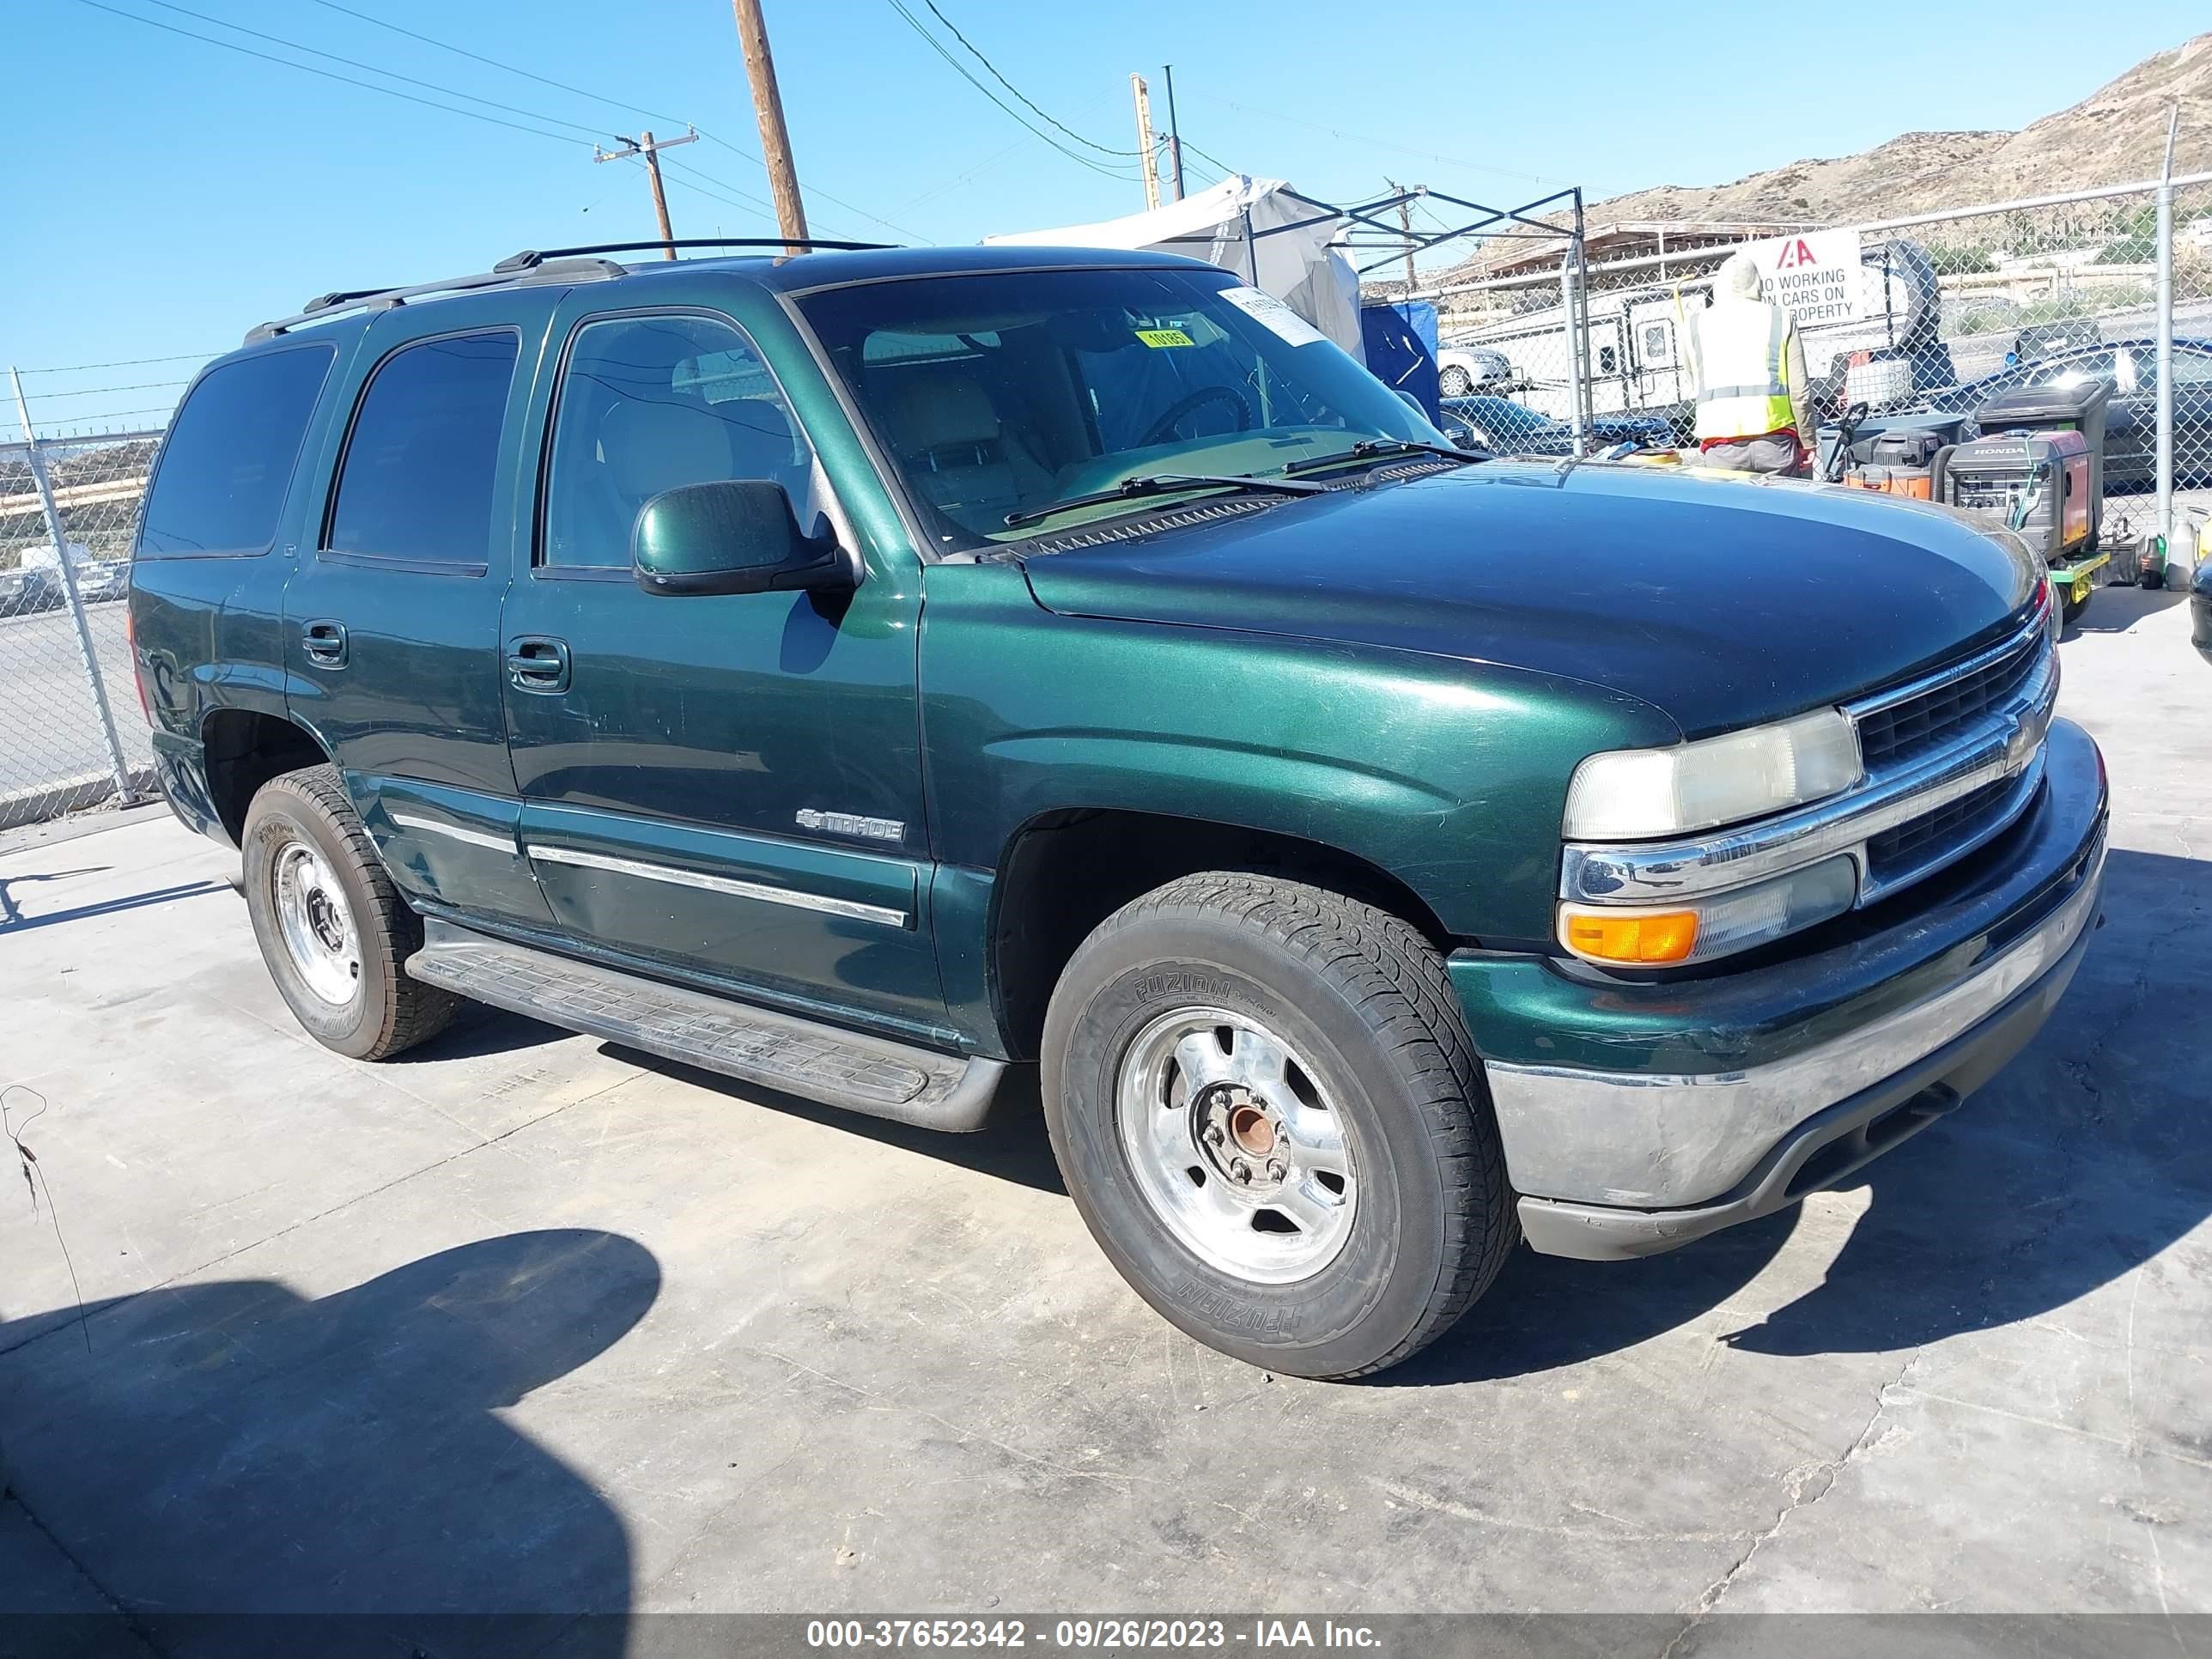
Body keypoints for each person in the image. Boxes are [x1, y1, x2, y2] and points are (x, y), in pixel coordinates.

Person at [1686, 249, 1814, 474]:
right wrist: (1807, 440)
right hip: (1776, 442)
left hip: (1721, 447)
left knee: (1731, 510)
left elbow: (1694, 382)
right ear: (1757, 283)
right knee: (1782, 508)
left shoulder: (1694, 324)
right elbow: (1799, 392)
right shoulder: (1779, 318)